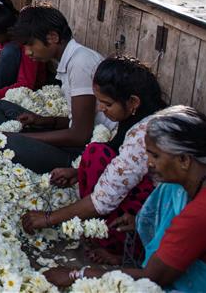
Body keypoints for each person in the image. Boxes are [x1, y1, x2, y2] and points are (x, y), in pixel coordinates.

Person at [44, 106, 206, 291]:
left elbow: (152, 277)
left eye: (155, 155)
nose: (149, 162)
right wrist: (140, 222)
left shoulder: (201, 214)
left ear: (184, 160)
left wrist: (77, 274)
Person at [23, 57, 166, 262]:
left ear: (133, 102)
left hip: (152, 217)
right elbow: (119, 162)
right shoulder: (141, 115)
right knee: (96, 154)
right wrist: (77, 173)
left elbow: (103, 200)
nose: (100, 108)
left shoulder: (143, 135)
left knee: (96, 154)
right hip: (147, 206)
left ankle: (114, 244)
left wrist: (48, 218)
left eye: (107, 103)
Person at [0, 5, 114, 174]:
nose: (27, 52)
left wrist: (22, 137)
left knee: (8, 143)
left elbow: (80, 135)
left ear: (53, 37)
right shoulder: (71, 60)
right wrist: (42, 121)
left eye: (30, 45)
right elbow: (78, 120)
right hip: (78, 136)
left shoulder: (81, 63)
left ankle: (69, 168)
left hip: (85, 152)